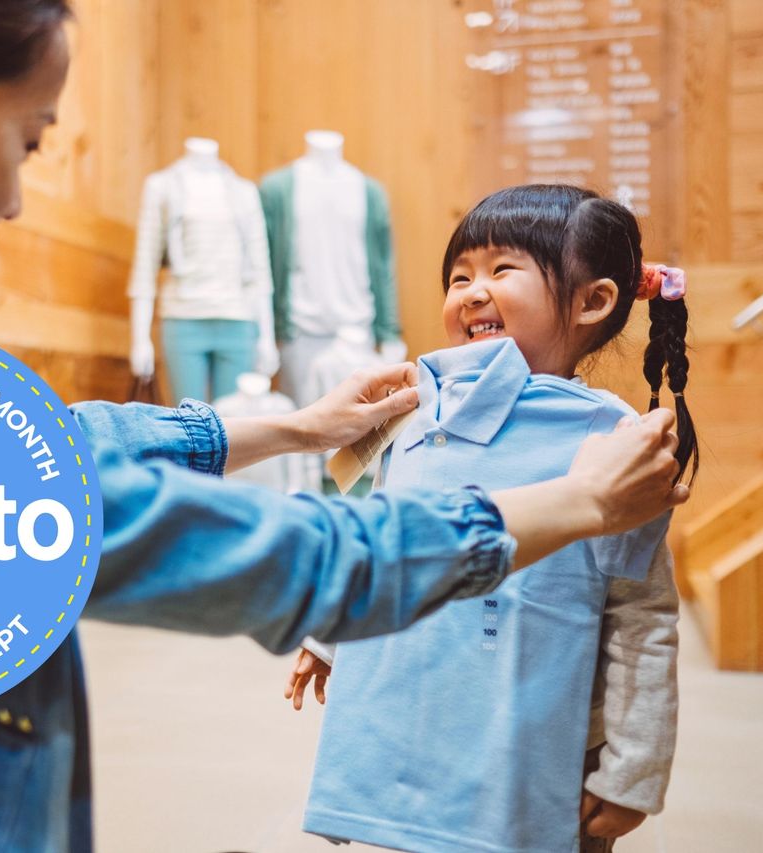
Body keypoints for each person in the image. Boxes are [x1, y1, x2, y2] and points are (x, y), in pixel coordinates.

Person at [0, 3, 687, 850]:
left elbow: (39, 447)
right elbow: (306, 560)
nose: (21, 199)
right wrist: (574, 501)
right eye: (28, 141)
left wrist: (284, 429)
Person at [285, 185, 690, 853]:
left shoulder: (616, 437)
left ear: (593, 300)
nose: (472, 292)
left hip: (541, 730)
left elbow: (642, 614)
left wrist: (632, 769)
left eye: (502, 270)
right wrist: (330, 633)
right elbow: (383, 539)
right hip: (415, 707)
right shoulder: (414, 412)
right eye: (459, 277)